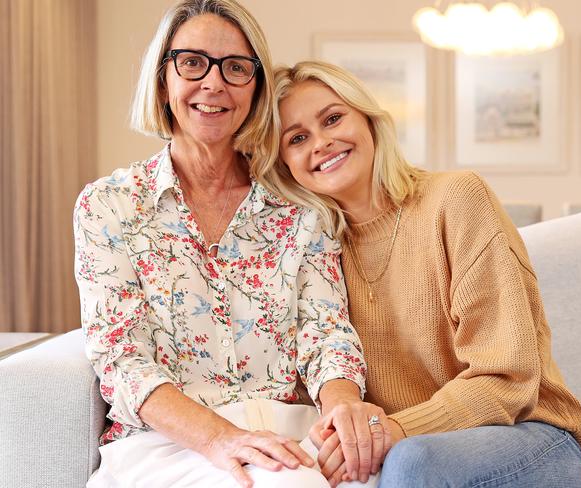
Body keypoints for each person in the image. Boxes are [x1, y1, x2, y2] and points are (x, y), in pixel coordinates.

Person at [253, 60, 581, 487]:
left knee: (412, 464)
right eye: (297, 138)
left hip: (529, 436)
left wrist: (394, 431)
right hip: (404, 450)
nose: (321, 142)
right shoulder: (314, 253)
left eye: (333, 118)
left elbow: (507, 376)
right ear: (285, 165)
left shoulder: (455, 199)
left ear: (370, 121)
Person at [73, 3, 370, 487]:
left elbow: (327, 333)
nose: (214, 83)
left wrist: (344, 411)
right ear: (163, 76)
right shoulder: (109, 206)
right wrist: (219, 438)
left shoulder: (300, 208)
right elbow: (122, 356)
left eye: (236, 68)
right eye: (193, 62)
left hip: (290, 432)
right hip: (167, 443)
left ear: (255, 89)